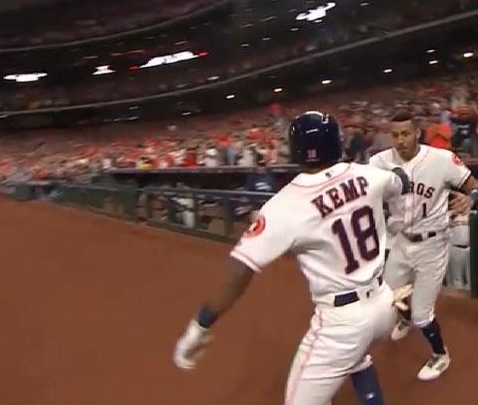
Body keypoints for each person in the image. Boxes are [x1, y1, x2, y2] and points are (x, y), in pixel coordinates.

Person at [173, 111, 413, 405]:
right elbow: (402, 181)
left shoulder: (285, 205)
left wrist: (200, 326)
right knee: (357, 356)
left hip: (342, 323)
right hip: (384, 305)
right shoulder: (369, 175)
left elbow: (239, 271)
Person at [369, 110, 478, 381]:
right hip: (401, 240)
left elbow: (476, 187)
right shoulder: (378, 162)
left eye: (406, 134)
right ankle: (405, 317)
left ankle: (440, 355)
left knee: (423, 314)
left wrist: (471, 199)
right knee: (386, 299)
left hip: (433, 243)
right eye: (395, 135)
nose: (400, 140)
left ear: (417, 133)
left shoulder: (441, 159)